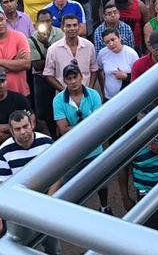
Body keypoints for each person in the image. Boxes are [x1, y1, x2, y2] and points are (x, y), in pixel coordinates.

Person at [52, 64, 110, 213]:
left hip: (94, 148)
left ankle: (104, 207)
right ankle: (76, 213)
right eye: (68, 78)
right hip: (72, 152)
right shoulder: (58, 100)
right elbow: (63, 129)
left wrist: (80, 128)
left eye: (75, 77)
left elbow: (99, 123)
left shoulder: (94, 95)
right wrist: (88, 126)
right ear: (64, 80)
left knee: (102, 182)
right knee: (71, 184)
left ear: (81, 77)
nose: (72, 81)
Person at [43, 15, 99, 91]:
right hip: (63, 96)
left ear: (79, 27)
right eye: (68, 26)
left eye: (75, 25)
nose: (72, 28)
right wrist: (64, 92)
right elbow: (48, 74)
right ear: (62, 28)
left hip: (86, 93)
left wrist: (89, 90)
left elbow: (94, 69)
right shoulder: (53, 49)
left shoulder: (89, 46)